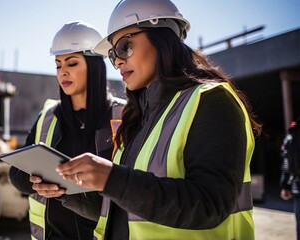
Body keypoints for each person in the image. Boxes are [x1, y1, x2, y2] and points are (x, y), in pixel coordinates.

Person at [56, 0, 262, 239]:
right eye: (113, 55)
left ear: (162, 38)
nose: (118, 61)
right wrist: (65, 192)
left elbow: (209, 204)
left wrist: (114, 179)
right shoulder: (138, 117)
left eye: (125, 47)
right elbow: (122, 210)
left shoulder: (211, 101)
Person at [9, 21, 125, 240]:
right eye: (58, 65)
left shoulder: (124, 116)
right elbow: (16, 173)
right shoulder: (48, 116)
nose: (63, 72)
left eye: (71, 63)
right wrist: (33, 182)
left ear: (94, 66)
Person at [280, 116, 300, 240]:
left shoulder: (293, 133)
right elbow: (287, 160)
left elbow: (286, 160)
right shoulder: (293, 133)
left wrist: (285, 185)